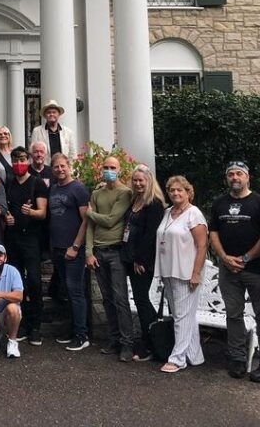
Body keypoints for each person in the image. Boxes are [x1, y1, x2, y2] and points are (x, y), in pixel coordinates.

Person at [209, 160, 260, 382]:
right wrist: (224, 257)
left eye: (239, 174)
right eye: (231, 174)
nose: (235, 178)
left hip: (255, 269)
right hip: (228, 270)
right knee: (233, 314)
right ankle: (237, 358)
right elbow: (213, 233)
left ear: (247, 177)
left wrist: (247, 257)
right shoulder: (219, 203)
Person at [155, 175, 208, 373]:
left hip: (186, 272)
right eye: (172, 190)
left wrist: (196, 273)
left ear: (188, 192)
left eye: (180, 190)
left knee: (182, 316)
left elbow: (202, 245)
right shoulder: (168, 212)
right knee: (183, 315)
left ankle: (178, 358)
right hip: (169, 270)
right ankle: (195, 355)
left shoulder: (194, 214)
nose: (176, 193)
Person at [86, 157, 135, 362]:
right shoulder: (97, 193)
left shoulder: (125, 192)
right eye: (105, 167)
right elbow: (90, 225)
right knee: (107, 299)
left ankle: (127, 344)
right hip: (98, 251)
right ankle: (113, 339)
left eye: (112, 168)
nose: (108, 171)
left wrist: (90, 213)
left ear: (120, 169)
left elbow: (111, 220)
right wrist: (88, 252)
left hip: (116, 252)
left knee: (120, 299)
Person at [4, 146, 49, 345]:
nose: (18, 164)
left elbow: (42, 213)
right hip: (12, 239)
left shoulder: (37, 183)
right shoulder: (9, 183)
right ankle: (19, 323)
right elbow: (5, 207)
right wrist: (8, 218)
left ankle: (35, 326)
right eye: (15, 160)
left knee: (34, 282)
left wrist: (30, 213)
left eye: (22, 159)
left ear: (28, 160)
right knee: (16, 282)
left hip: (31, 239)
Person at [121, 164, 165, 362]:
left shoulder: (154, 204)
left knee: (141, 299)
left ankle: (151, 340)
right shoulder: (134, 200)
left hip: (142, 261)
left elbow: (150, 235)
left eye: (141, 180)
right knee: (139, 300)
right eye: (135, 180)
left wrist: (141, 260)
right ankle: (150, 337)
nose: (138, 184)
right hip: (129, 257)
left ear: (149, 181)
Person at [48, 152, 90, 351]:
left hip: (73, 250)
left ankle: (82, 335)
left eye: (63, 166)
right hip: (57, 249)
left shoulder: (79, 189)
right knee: (65, 291)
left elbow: (86, 220)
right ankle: (72, 330)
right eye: (56, 167)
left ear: (69, 166)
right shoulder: (54, 188)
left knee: (76, 292)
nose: (60, 169)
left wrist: (75, 246)